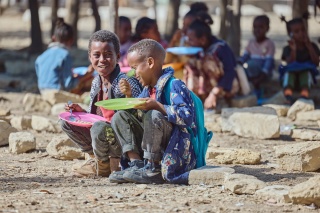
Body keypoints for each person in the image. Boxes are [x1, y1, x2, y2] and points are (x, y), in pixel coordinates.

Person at [109, 39, 197, 184]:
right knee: (120, 116)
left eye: (135, 67)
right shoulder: (147, 90)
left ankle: (153, 167)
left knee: (153, 115)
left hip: (173, 146)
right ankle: (136, 165)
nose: (133, 73)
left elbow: (187, 117)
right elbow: (138, 117)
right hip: (151, 141)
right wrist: (129, 97)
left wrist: (158, 106)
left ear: (150, 62)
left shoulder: (174, 85)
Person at [61, 30, 142, 177]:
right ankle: (96, 159)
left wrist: (129, 94)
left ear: (117, 56)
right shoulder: (96, 81)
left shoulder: (125, 81)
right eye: (97, 55)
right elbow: (96, 117)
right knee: (67, 121)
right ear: (90, 57)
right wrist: (82, 112)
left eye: (108, 55)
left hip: (125, 140)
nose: (102, 59)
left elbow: (139, 116)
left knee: (98, 128)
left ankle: (109, 164)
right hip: (103, 133)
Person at [185, 19, 239, 110]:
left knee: (208, 62)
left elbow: (230, 73)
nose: (188, 43)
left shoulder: (221, 48)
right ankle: (195, 100)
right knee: (190, 65)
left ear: (202, 40)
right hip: (208, 88)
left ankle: (220, 100)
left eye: (191, 40)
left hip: (225, 88)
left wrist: (214, 94)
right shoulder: (200, 50)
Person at [35, 18, 92, 93]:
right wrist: (87, 74)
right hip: (57, 92)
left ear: (53, 38)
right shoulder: (65, 55)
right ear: (71, 41)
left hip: (42, 91)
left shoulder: (41, 57)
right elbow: (68, 84)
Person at [279, 16, 320, 104]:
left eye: (303, 30)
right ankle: (288, 97)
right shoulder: (287, 48)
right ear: (290, 34)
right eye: (297, 32)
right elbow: (289, 62)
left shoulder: (312, 46)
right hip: (292, 75)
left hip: (305, 74)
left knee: (306, 74)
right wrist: (293, 50)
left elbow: (316, 63)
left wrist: (309, 47)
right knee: (288, 74)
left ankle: (304, 96)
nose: (301, 33)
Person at [238, 15, 275, 94]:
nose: (257, 30)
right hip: (251, 72)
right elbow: (245, 56)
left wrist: (261, 76)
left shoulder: (269, 44)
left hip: (262, 73)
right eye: (255, 27)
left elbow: (268, 63)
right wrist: (239, 62)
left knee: (251, 64)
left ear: (267, 29)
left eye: (261, 27)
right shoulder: (251, 42)